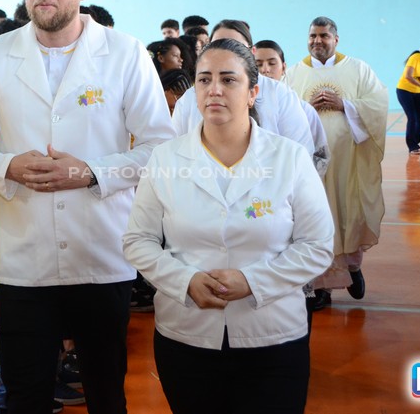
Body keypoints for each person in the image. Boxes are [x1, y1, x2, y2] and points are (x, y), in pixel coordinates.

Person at [0, 0, 174, 414]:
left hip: (100, 251)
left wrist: (91, 172)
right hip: (23, 257)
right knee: (25, 395)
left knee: (105, 392)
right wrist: (8, 165)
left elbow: (160, 147)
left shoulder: (124, 53)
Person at [122, 39, 334, 414]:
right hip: (186, 338)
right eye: (204, 80)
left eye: (229, 80)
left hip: (273, 338)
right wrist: (184, 281)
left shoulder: (289, 158)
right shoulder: (165, 159)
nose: (214, 89)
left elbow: (317, 245)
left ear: (253, 93)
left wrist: (252, 281)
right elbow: (139, 240)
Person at [285, 17, 387, 305]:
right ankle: (322, 287)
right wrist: (307, 109)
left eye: (324, 36)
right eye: (313, 36)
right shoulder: (293, 74)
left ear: (336, 39)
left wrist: (345, 105)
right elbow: (283, 113)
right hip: (309, 164)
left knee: (347, 214)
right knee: (315, 219)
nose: (317, 41)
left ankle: (353, 267)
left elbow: (378, 104)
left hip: (348, 161)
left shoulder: (358, 69)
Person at [172, 21, 315, 159]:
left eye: (236, 47)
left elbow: (300, 152)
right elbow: (175, 153)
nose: (225, 54)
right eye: (218, 45)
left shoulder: (280, 94)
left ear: (252, 52)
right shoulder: (188, 99)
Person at [253, 39, 330, 178]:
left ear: (283, 68)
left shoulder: (305, 109)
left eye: (272, 63)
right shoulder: (244, 107)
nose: (265, 69)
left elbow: (320, 154)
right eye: (258, 65)